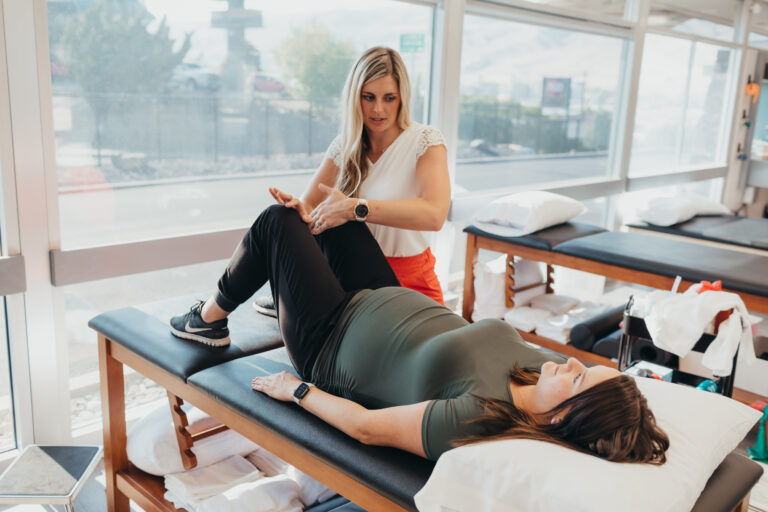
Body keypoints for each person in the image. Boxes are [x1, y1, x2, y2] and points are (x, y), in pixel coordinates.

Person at [170, 205, 669, 463]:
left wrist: (297, 390)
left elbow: (366, 427)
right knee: (332, 212)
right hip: (377, 295)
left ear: (565, 416)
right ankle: (283, 287)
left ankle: (208, 319)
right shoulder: (540, 373)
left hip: (328, 342)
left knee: (277, 223)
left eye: (580, 381)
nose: (574, 364)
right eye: (588, 367)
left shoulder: (481, 419)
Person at [264, 46, 450, 308]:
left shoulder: (425, 141)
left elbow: (435, 215)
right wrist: (295, 208)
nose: (378, 110)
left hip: (412, 282)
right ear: (355, 97)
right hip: (353, 283)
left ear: (402, 98)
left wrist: (354, 208)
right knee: (278, 217)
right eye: (368, 97)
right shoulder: (345, 146)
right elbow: (309, 205)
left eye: (389, 98)